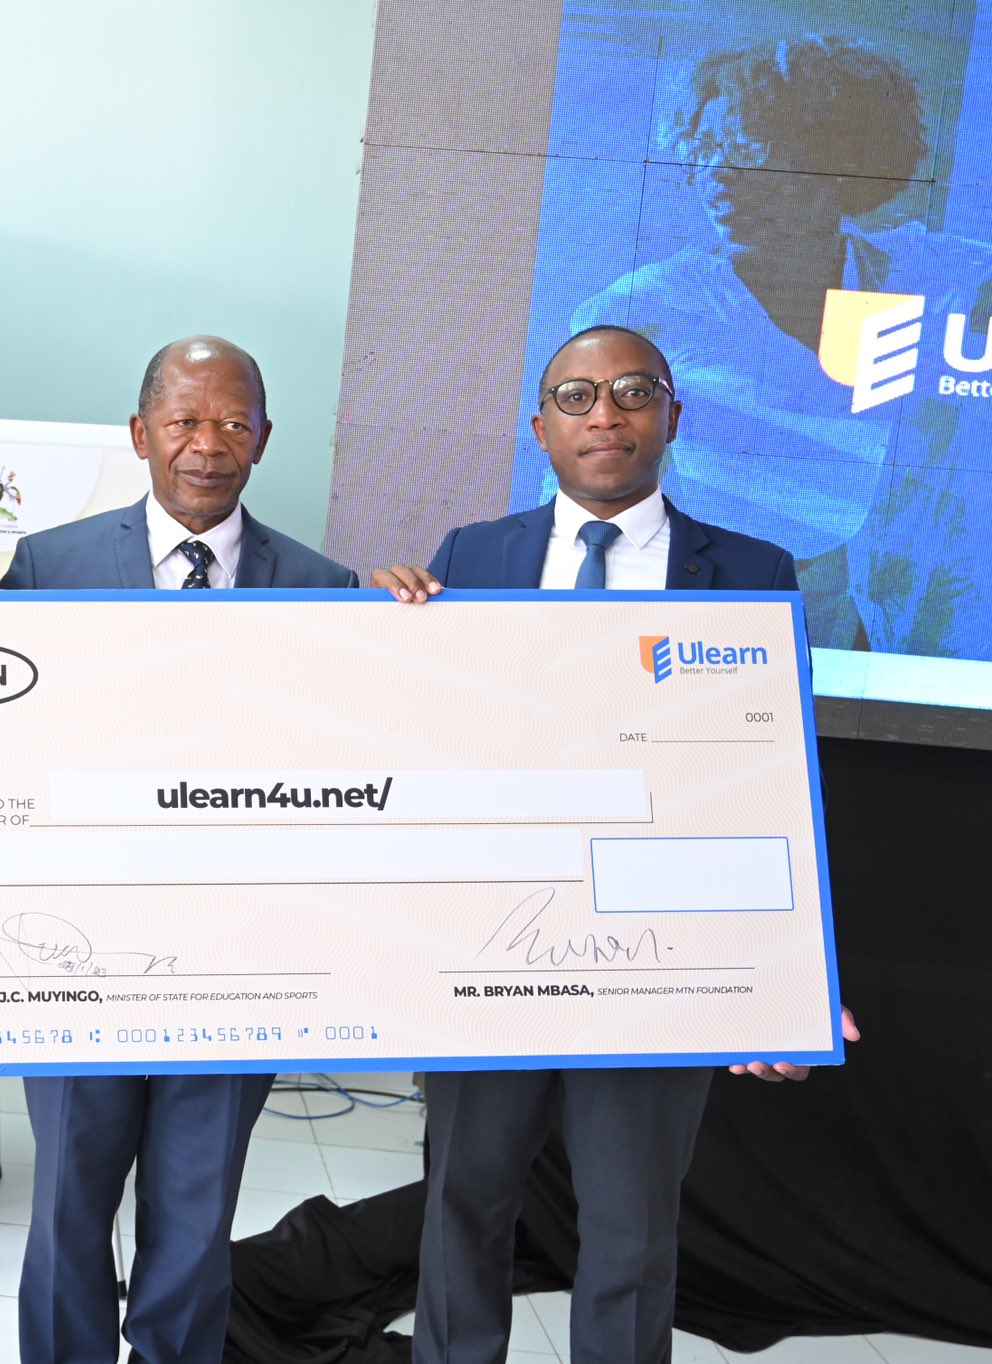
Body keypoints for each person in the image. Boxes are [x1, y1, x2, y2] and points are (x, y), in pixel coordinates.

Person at [373, 323, 856, 1364]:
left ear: (672, 416)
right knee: (461, 1206)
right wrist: (378, 638)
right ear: (538, 427)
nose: (605, 414)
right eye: (577, 396)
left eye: (633, 391)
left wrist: (785, 977)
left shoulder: (753, 572)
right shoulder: (469, 557)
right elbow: (426, 740)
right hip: (492, 941)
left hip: (656, 950)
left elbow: (765, 787)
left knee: (632, 1234)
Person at [8, 335, 361, 1364]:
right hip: (78, 951)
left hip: (238, 957)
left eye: (233, 423)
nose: (208, 445)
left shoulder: (326, 586)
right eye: (184, 421)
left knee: (197, 1212)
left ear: (264, 438)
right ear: (139, 433)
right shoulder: (50, 565)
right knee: (68, 1200)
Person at [561, 34, 991, 659]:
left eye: (748, 152)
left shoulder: (930, 277)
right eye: (706, 150)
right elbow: (583, 507)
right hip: (711, 635)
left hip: (904, 637)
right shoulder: (639, 316)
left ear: (834, 163)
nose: (717, 175)